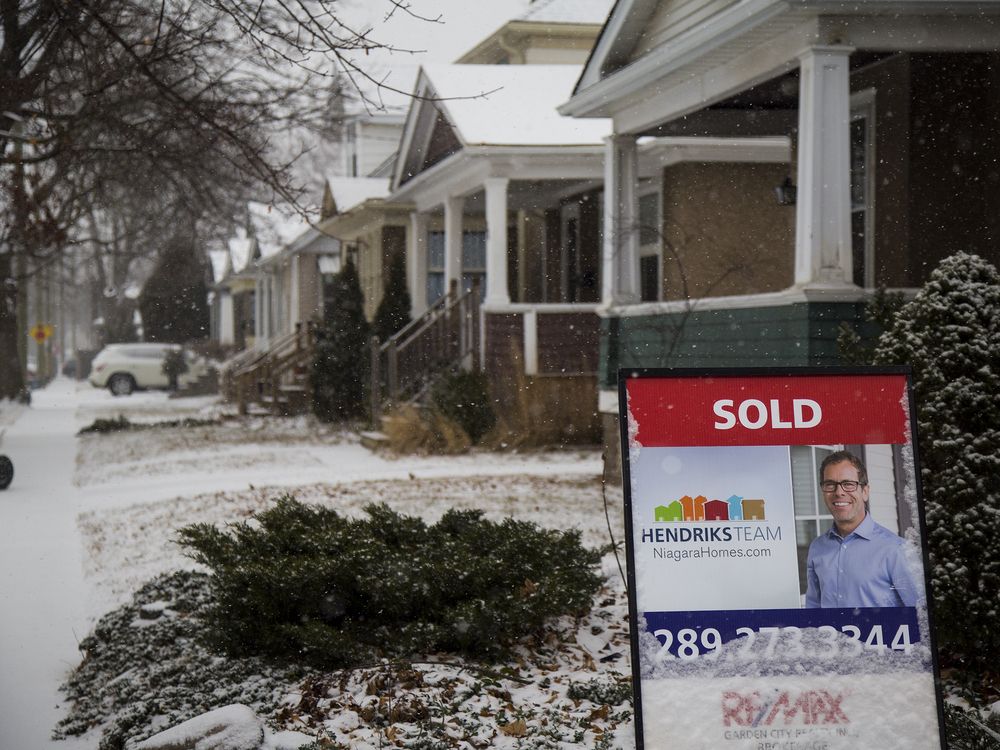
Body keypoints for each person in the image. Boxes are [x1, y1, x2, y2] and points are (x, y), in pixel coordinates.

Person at [805, 450, 920, 608]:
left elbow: (919, 617)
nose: (839, 492)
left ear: (865, 492)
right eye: (830, 485)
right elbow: (814, 611)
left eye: (848, 484)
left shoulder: (897, 550)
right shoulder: (817, 548)